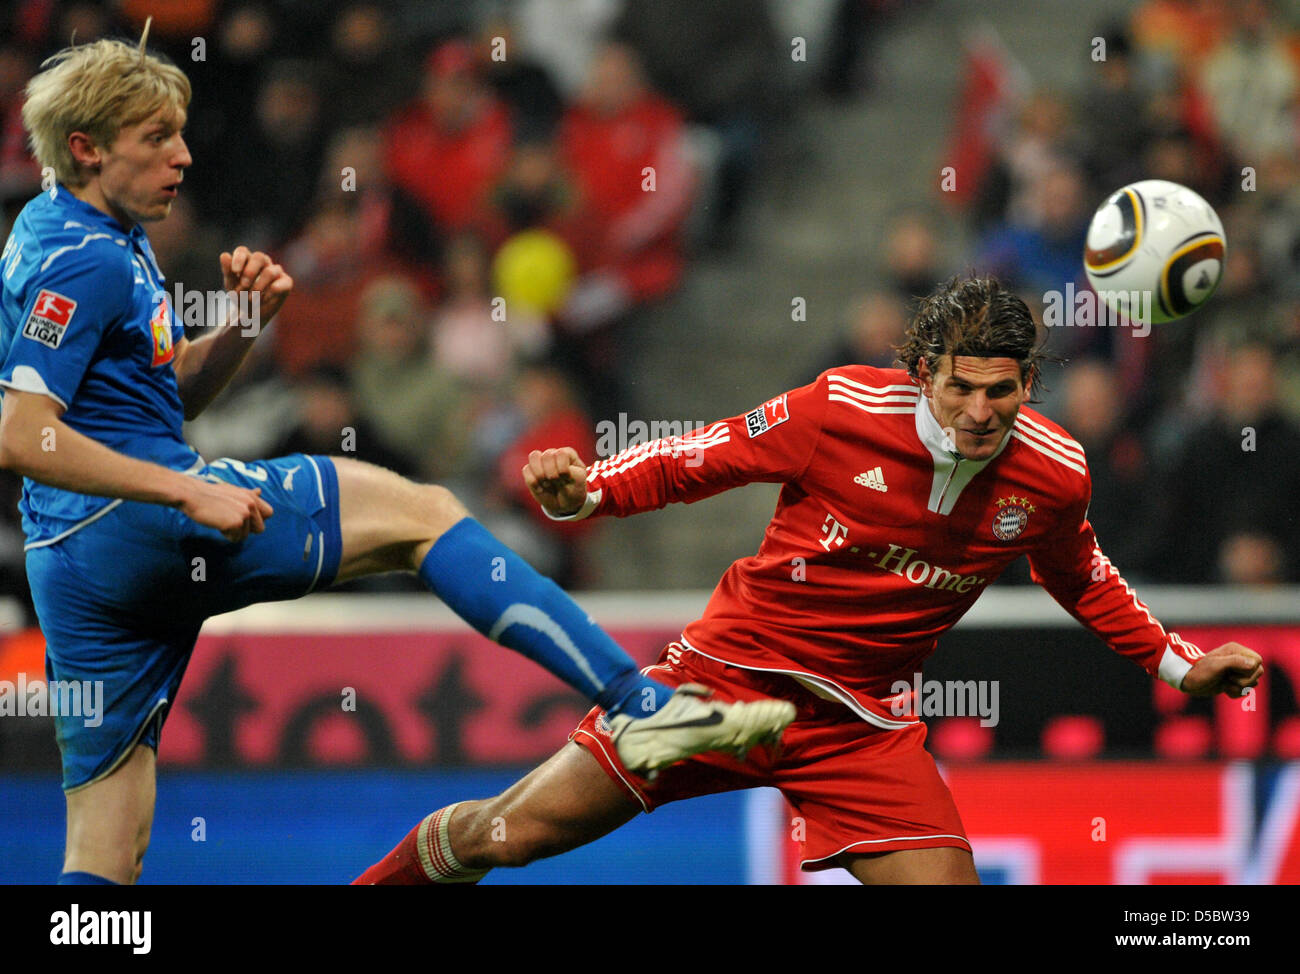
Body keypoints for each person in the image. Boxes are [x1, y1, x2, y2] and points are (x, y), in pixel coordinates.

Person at [0, 34, 794, 886]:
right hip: (139, 521)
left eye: (181, 132)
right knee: (422, 516)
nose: (184, 156)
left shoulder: (82, 227)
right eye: (156, 136)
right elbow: (22, 433)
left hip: (75, 564)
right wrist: (184, 491)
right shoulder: (80, 259)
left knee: (106, 848)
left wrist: (240, 325)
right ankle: (643, 707)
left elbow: (164, 400)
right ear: (85, 147)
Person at [355, 274, 1265, 885]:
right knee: (509, 835)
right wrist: (582, 492)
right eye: (961, 388)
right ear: (922, 375)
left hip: (858, 726)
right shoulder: (837, 409)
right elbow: (691, 460)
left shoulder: (1055, 473)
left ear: (1030, 381)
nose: (981, 411)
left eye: (1003, 390)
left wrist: (1181, 667)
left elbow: (1083, 577)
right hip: (722, 682)